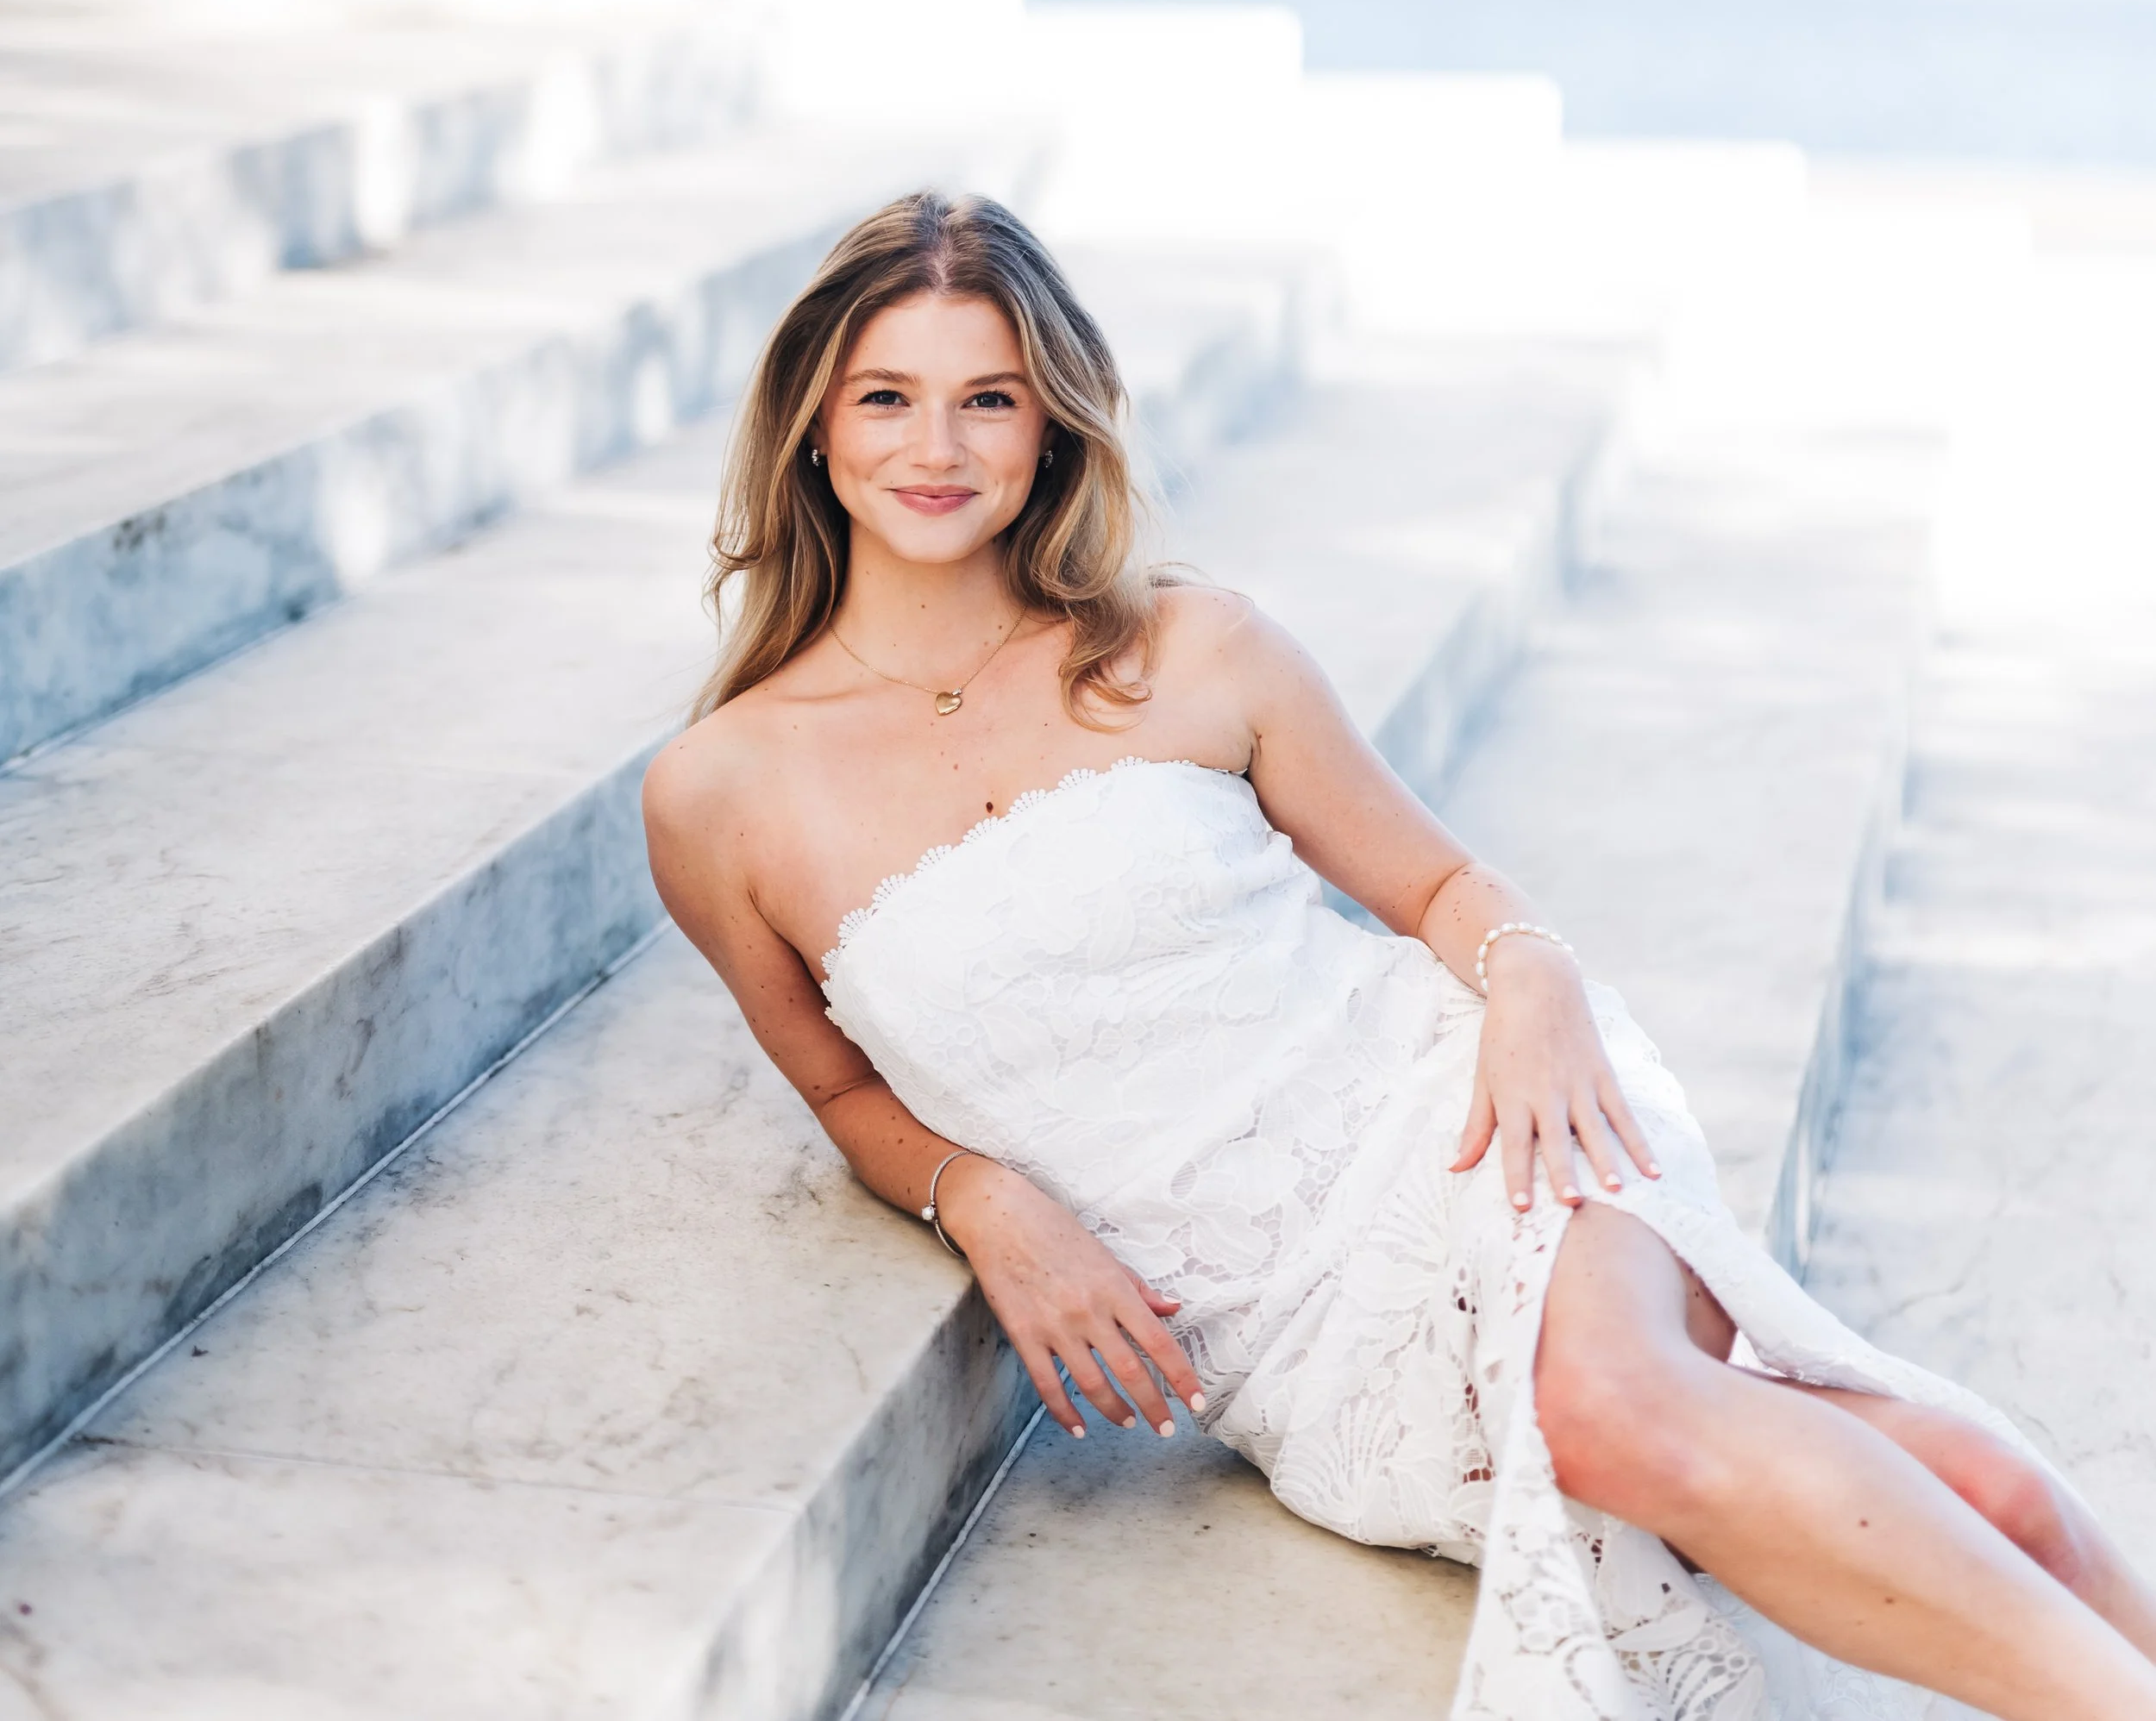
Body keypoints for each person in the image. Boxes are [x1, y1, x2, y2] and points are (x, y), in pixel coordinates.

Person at [643, 192, 2156, 1721]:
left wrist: (1537, 980)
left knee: (1617, 1412)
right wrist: (981, 1192)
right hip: (1292, 1332)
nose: (939, 446)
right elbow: (836, 1084)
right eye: (887, 397)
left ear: (1053, 427)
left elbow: (1443, 883)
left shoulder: (1186, 646)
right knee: (1940, 1490)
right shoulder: (721, 796)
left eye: (990, 397)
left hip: (1472, 1114)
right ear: (812, 427)